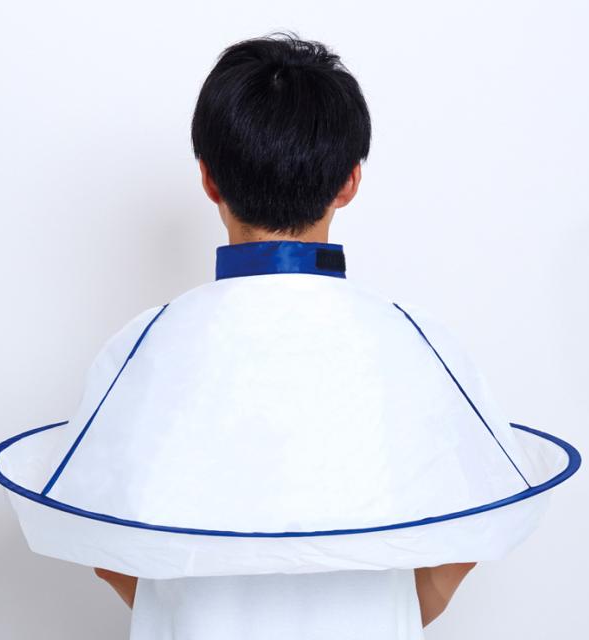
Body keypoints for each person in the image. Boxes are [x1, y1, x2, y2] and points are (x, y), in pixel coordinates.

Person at [93, 31, 479, 638]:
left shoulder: (139, 350)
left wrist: (188, 615)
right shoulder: (418, 347)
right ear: (350, 181)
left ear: (208, 179)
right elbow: (473, 529)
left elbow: (98, 541)